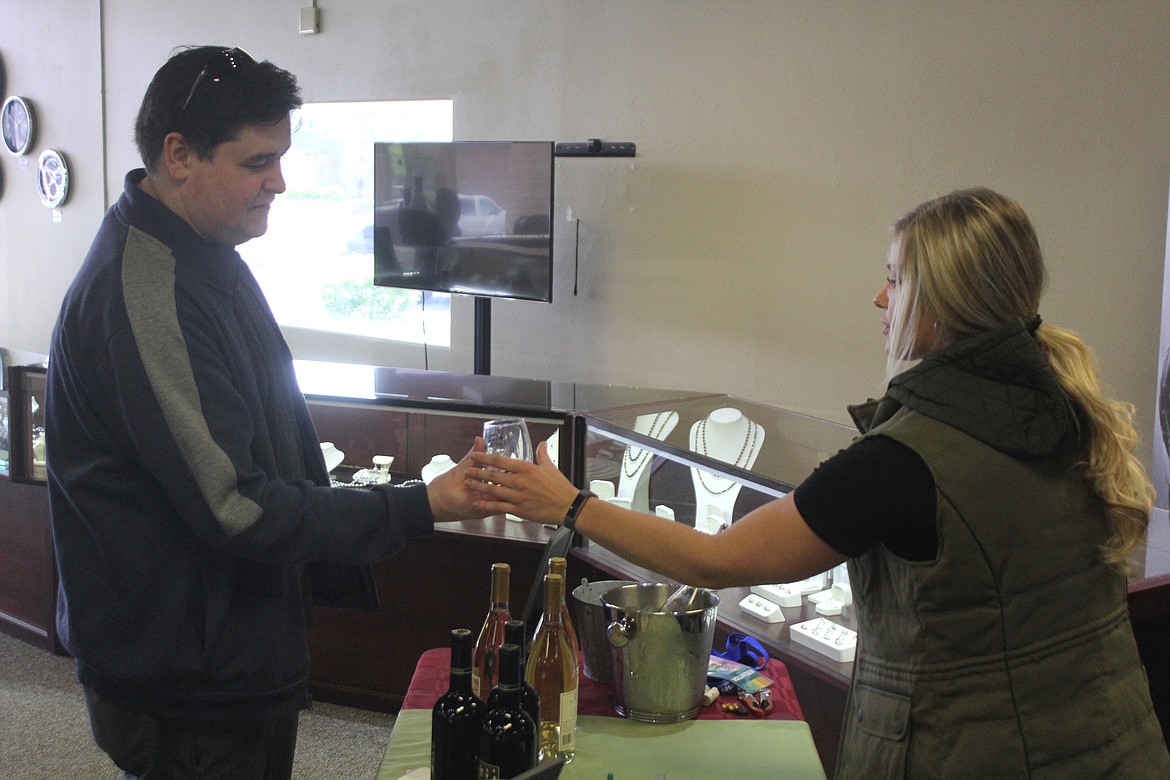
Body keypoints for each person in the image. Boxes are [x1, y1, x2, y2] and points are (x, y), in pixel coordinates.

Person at [468, 188, 1170, 778]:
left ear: (942, 301)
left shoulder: (904, 461)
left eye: (894, 279)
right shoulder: (1069, 412)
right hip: (1113, 742)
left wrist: (571, 504)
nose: (877, 297)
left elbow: (716, 562)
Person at [45, 46, 488, 779]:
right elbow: (235, 507)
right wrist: (421, 504)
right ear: (178, 154)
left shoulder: (205, 251)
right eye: (257, 163)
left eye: (281, 158)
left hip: (225, 646)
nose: (279, 182)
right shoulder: (148, 292)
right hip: (186, 678)